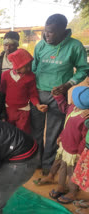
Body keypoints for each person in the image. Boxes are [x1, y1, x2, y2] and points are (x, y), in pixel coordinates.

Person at [31, 14, 89, 175]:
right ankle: (36, 162)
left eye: (51, 32)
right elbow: (34, 68)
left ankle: (48, 165)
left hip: (59, 97)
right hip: (38, 93)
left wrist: (68, 84)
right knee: (36, 130)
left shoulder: (75, 46)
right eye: (45, 31)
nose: (46, 35)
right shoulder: (40, 46)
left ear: (63, 30)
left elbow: (84, 69)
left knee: (53, 132)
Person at [33, 86, 89, 204]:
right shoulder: (73, 108)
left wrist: (79, 152)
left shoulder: (85, 118)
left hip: (73, 152)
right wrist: (62, 136)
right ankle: (61, 186)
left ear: (79, 101)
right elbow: (66, 119)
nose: (71, 99)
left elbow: (84, 139)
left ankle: (73, 192)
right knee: (62, 167)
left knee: (72, 173)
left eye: (73, 97)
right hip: (65, 145)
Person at [0, 49, 48, 133]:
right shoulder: (5, 75)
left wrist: (37, 105)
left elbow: (33, 94)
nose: (29, 68)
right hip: (8, 110)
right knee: (9, 132)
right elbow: (2, 92)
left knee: (23, 134)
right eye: (25, 66)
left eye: (30, 65)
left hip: (23, 111)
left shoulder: (31, 77)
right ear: (16, 66)